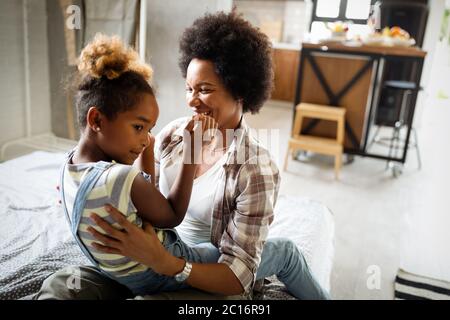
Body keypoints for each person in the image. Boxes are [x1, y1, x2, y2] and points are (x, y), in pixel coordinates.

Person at [35, 11, 330, 300]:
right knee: (63, 284)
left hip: (203, 272)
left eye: (204, 89)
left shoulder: (254, 168)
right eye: (189, 88)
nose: (191, 100)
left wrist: (166, 263)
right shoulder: (174, 134)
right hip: (146, 258)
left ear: (240, 89)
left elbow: (236, 274)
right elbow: (144, 192)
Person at [57, 33, 217, 296]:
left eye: (149, 130)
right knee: (227, 254)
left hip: (120, 273)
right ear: (96, 119)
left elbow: (139, 204)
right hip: (157, 273)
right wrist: (191, 153)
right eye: (138, 127)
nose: (145, 139)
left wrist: (146, 154)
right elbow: (171, 216)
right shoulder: (120, 177)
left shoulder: (69, 164)